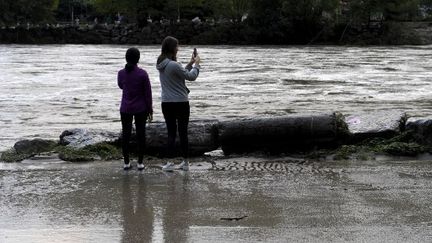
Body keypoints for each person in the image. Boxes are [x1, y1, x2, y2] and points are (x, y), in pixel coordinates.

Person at [156, 36, 201, 171]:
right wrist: (197, 64)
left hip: (166, 103)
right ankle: (186, 163)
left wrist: (190, 63)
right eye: (177, 46)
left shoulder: (162, 63)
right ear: (172, 48)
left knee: (171, 133)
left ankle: (169, 163)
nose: (178, 48)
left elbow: (180, 72)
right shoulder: (173, 64)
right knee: (182, 133)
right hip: (181, 102)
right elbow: (191, 76)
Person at [118, 47, 153, 170]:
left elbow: (121, 86)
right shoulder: (143, 74)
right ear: (138, 59)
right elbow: (148, 93)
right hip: (141, 107)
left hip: (125, 107)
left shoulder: (121, 73)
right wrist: (150, 109)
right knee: (140, 135)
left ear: (126, 58)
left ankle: (126, 163)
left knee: (126, 135)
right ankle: (140, 163)